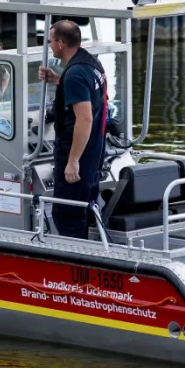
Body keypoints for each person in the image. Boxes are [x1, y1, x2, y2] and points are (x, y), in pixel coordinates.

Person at [37, 20, 107, 239]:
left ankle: (76, 263)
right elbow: (91, 97)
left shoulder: (75, 75)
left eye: (49, 41)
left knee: (66, 213)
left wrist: (73, 161)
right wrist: (57, 80)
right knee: (86, 208)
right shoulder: (91, 64)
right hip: (95, 148)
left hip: (78, 153)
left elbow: (84, 119)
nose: (48, 45)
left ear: (60, 43)